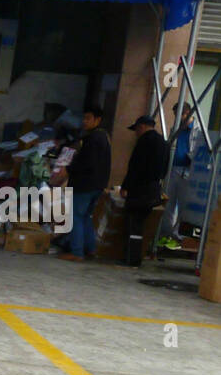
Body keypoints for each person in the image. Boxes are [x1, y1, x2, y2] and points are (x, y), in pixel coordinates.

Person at [53, 106, 110, 261]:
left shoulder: (92, 139)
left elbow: (86, 162)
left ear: (98, 120)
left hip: (84, 185)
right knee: (85, 217)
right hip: (97, 185)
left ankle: (77, 252)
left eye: (88, 118)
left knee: (76, 217)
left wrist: (69, 169)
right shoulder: (103, 137)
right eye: (84, 118)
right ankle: (90, 249)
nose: (84, 121)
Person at [120, 115, 168, 267]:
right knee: (140, 225)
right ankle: (135, 257)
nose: (136, 133)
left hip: (139, 190)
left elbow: (135, 167)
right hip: (153, 189)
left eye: (136, 130)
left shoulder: (144, 142)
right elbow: (164, 169)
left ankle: (130, 258)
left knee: (133, 224)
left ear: (141, 127)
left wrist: (125, 186)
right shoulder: (163, 143)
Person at [157, 103, 199, 251]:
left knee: (182, 206)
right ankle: (166, 234)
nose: (176, 118)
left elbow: (198, 150)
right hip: (173, 169)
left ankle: (178, 236)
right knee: (168, 203)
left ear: (186, 113)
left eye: (178, 115)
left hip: (187, 171)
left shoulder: (197, 130)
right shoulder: (176, 128)